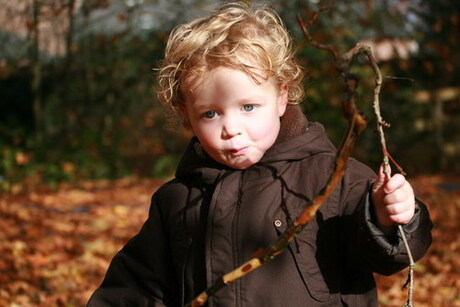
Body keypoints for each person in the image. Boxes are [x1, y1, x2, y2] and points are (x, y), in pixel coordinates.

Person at [88, 3, 432, 306]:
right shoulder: (178, 200)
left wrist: (389, 216)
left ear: (282, 97)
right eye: (210, 114)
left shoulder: (332, 178)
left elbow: (390, 254)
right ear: (187, 115)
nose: (231, 128)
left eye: (248, 106)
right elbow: (139, 286)